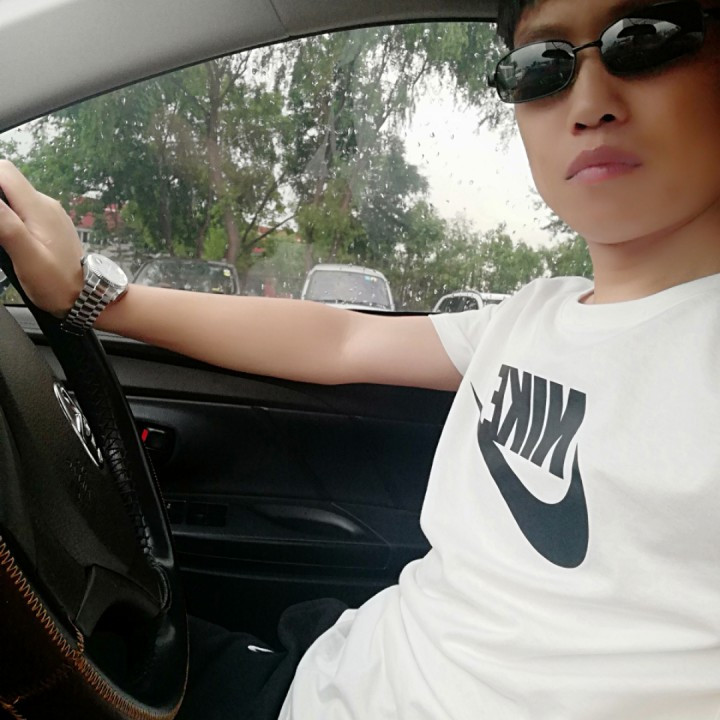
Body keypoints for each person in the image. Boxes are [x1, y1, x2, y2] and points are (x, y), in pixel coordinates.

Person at [1, 0, 720, 716]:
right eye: (541, 66)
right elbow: (342, 340)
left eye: (647, 39)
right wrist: (90, 295)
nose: (590, 104)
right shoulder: (534, 312)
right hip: (333, 671)